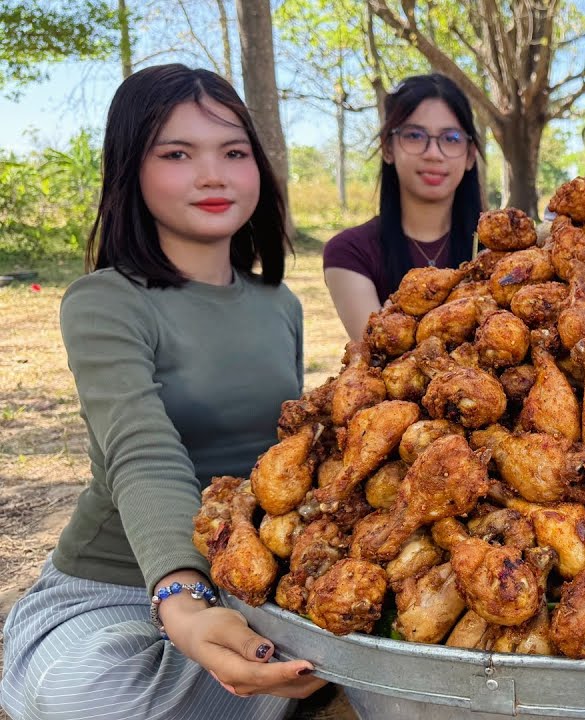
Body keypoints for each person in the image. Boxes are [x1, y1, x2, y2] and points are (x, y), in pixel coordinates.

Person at [0, 64, 325, 720]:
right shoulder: (105, 301)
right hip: (118, 592)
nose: (214, 175)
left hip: (254, 590)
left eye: (234, 153)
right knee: (87, 695)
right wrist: (184, 599)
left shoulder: (279, 304)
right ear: (131, 171)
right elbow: (141, 448)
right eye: (177, 154)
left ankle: (259, 682)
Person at [324, 73, 484, 340]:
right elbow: (376, 354)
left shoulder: (501, 249)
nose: (433, 153)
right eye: (414, 135)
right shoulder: (350, 252)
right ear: (388, 147)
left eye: (451, 138)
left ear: (470, 155)